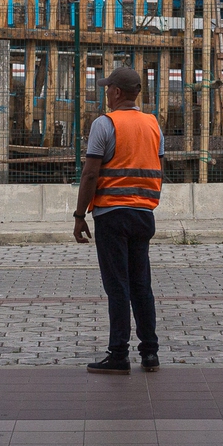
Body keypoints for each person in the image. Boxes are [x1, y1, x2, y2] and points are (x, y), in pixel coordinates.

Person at [73, 65, 161, 374]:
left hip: (112, 214)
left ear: (117, 92)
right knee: (141, 285)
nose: (106, 92)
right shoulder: (153, 125)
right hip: (144, 215)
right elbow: (158, 168)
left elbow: (90, 174)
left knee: (118, 286)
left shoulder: (104, 124)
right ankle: (150, 353)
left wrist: (79, 215)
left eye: (108, 88)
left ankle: (119, 354)